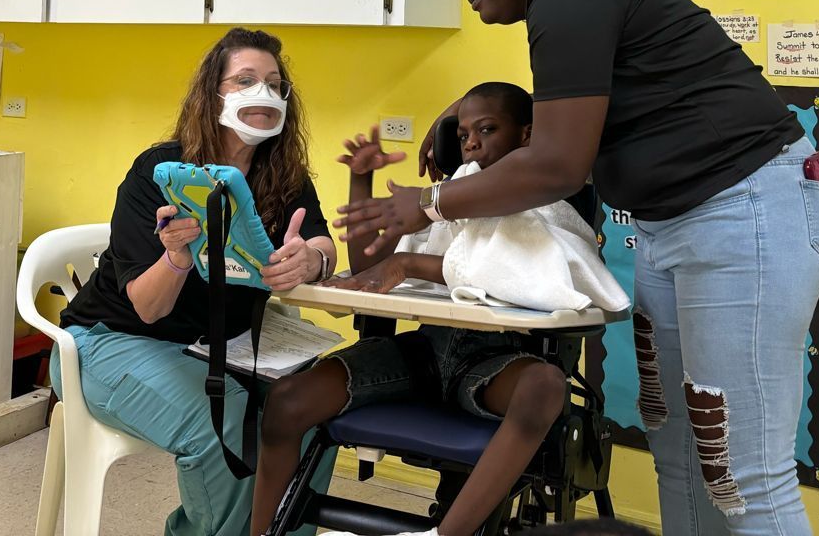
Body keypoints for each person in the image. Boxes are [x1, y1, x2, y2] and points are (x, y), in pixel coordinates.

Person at [339, 0, 819, 536]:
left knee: (745, 472)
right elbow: (554, 136)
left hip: (743, 212)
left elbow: (554, 163)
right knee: (685, 457)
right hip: (675, 227)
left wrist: (430, 203)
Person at [253, 83, 591, 536]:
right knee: (286, 399)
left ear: (527, 136)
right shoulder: (446, 194)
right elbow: (369, 266)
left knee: (545, 387)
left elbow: (532, 273)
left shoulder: (548, 198)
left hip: (492, 364)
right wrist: (361, 180)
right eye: (464, 133)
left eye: (486, 130)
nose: (470, 142)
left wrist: (410, 262)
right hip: (423, 355)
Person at [56, 27, 339, 536]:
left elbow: (323, 244)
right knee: (225, 421)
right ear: (213, 96)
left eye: (275, 84)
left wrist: (310, 261)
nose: (264, 94)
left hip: (214, 346)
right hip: (108, 343)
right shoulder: (160, 172)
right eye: (246, 80)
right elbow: (146, 307)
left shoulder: (285, 176)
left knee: (310, 410)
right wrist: (177, 257)